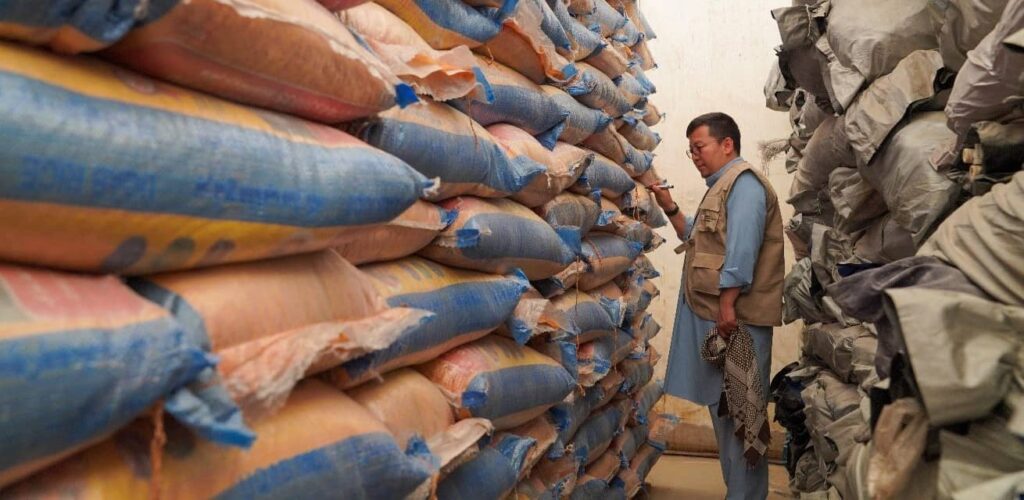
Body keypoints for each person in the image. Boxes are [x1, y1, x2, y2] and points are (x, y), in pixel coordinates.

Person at [650, 112, 784, 500]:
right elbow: (696, 237)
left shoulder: (744, 185)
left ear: (727, 144)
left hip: (736, 320)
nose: (695, 156)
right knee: (725, 413)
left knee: (743, 415)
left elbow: (742, 251)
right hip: (719, 318)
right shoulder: (722, 187)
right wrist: (669, 206)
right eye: (690, 150)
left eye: (699, 147)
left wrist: (727, 306)